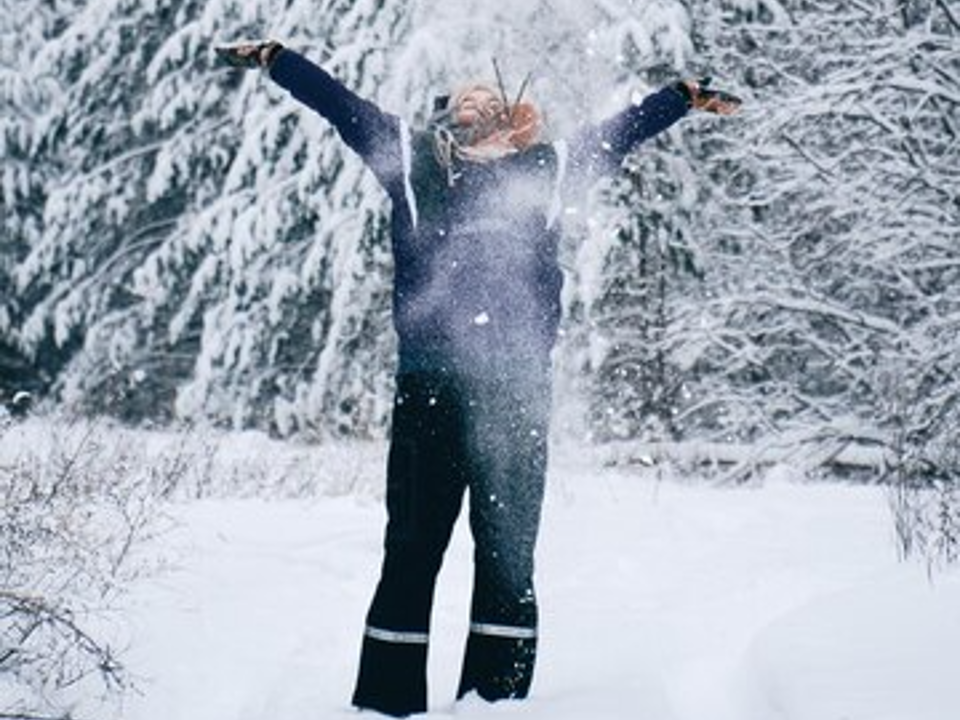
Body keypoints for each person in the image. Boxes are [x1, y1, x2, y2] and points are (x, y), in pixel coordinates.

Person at [216, 39, 740, 717]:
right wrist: (277, 60)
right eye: (464, 104)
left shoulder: (544, 172)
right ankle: (386, 706)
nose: (475, 108)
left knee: (507, 559)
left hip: (515, 393)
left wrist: (681, 98)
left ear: (516, 119)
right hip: (428, 389)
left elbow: (619, 137)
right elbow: (342, 108)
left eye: (488, 103)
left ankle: (498, 704)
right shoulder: (414, 165)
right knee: (410, 552)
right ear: (447, 120)